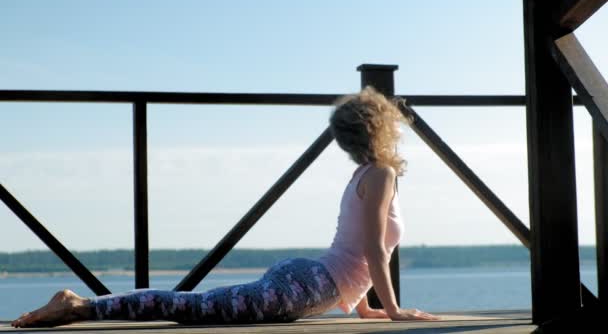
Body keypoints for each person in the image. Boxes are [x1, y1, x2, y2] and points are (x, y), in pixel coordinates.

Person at [11, 86, 438, 328]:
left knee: (198, 305)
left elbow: (355, 248)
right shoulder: (379, 174)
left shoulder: (365, 175)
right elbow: (373, 250)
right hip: (306, 285)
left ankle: (85, 305)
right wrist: (395, 310)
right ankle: (80, 306)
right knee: (194, 309)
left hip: (309, 280)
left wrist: (365, 307)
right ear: (382, 126)